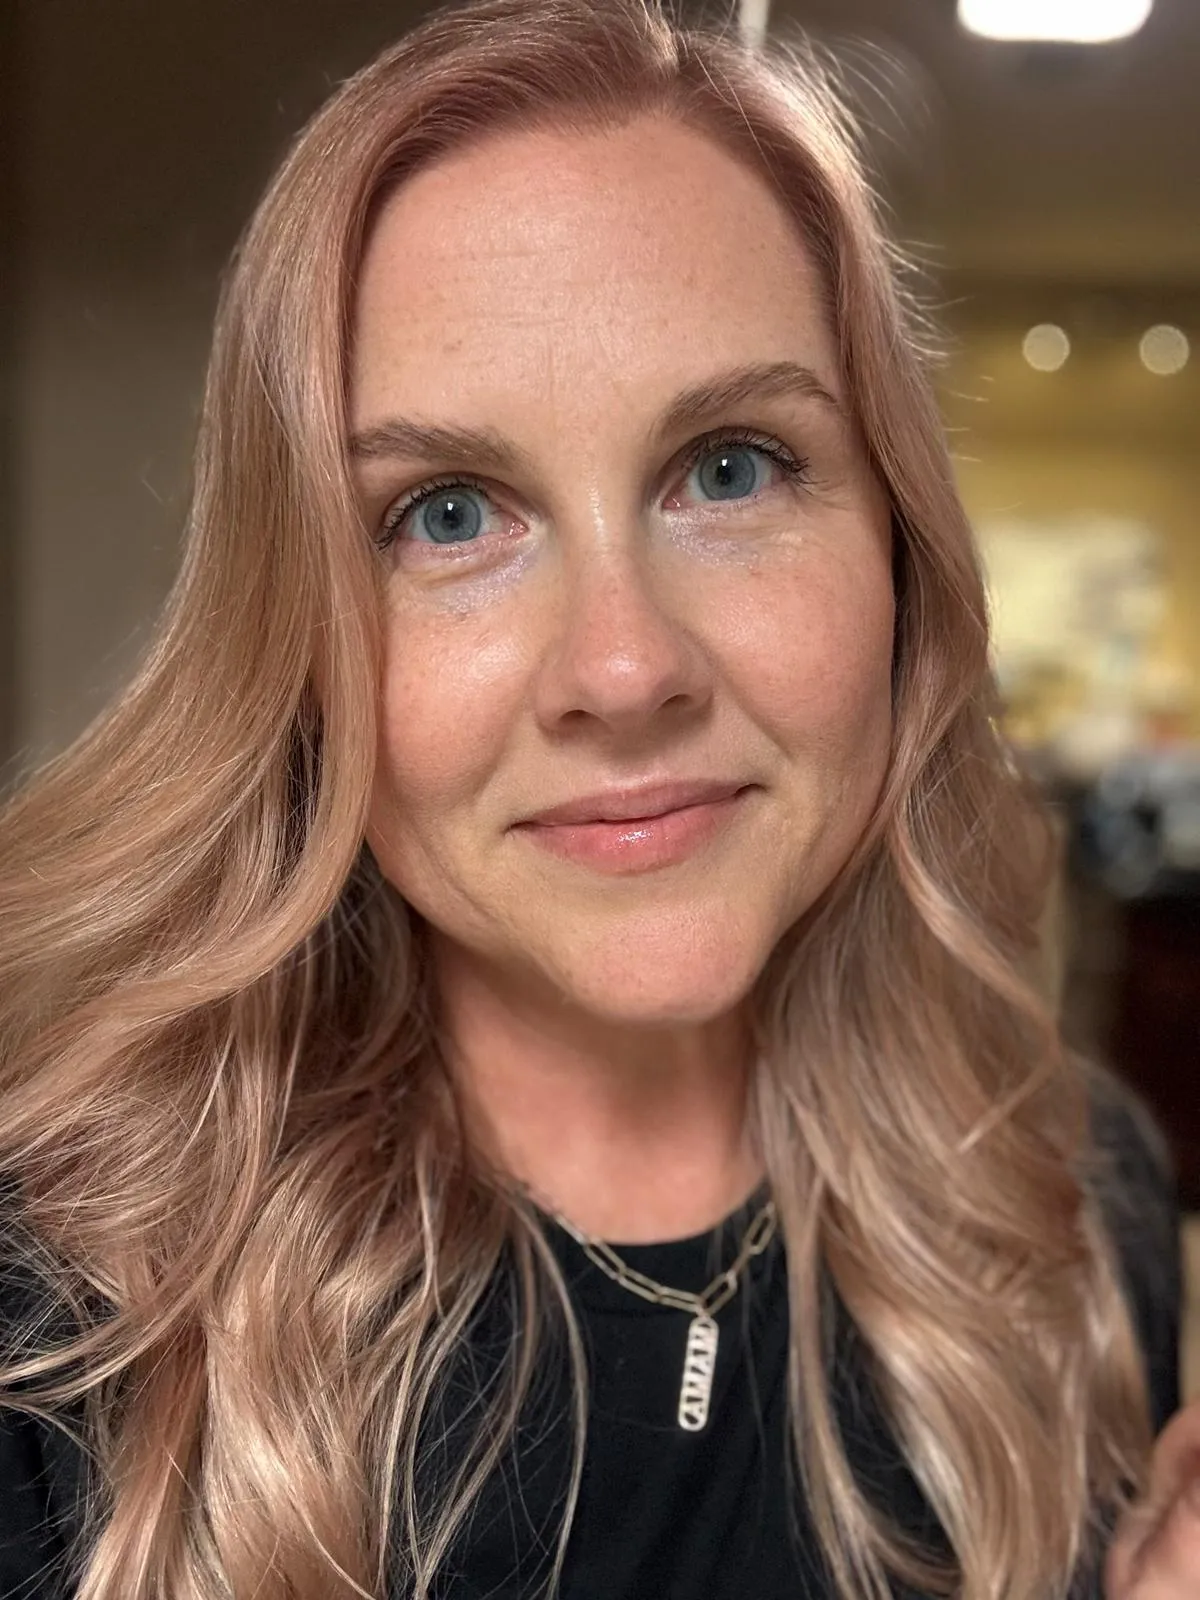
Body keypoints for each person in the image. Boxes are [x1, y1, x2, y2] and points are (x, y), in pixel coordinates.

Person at [0, 1, 1189, 1596]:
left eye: (731, 467)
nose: (624, 671)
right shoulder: (56, 1321)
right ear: (295, 645)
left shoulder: (1077, 1208)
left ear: (902, 554)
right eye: (447, 513)